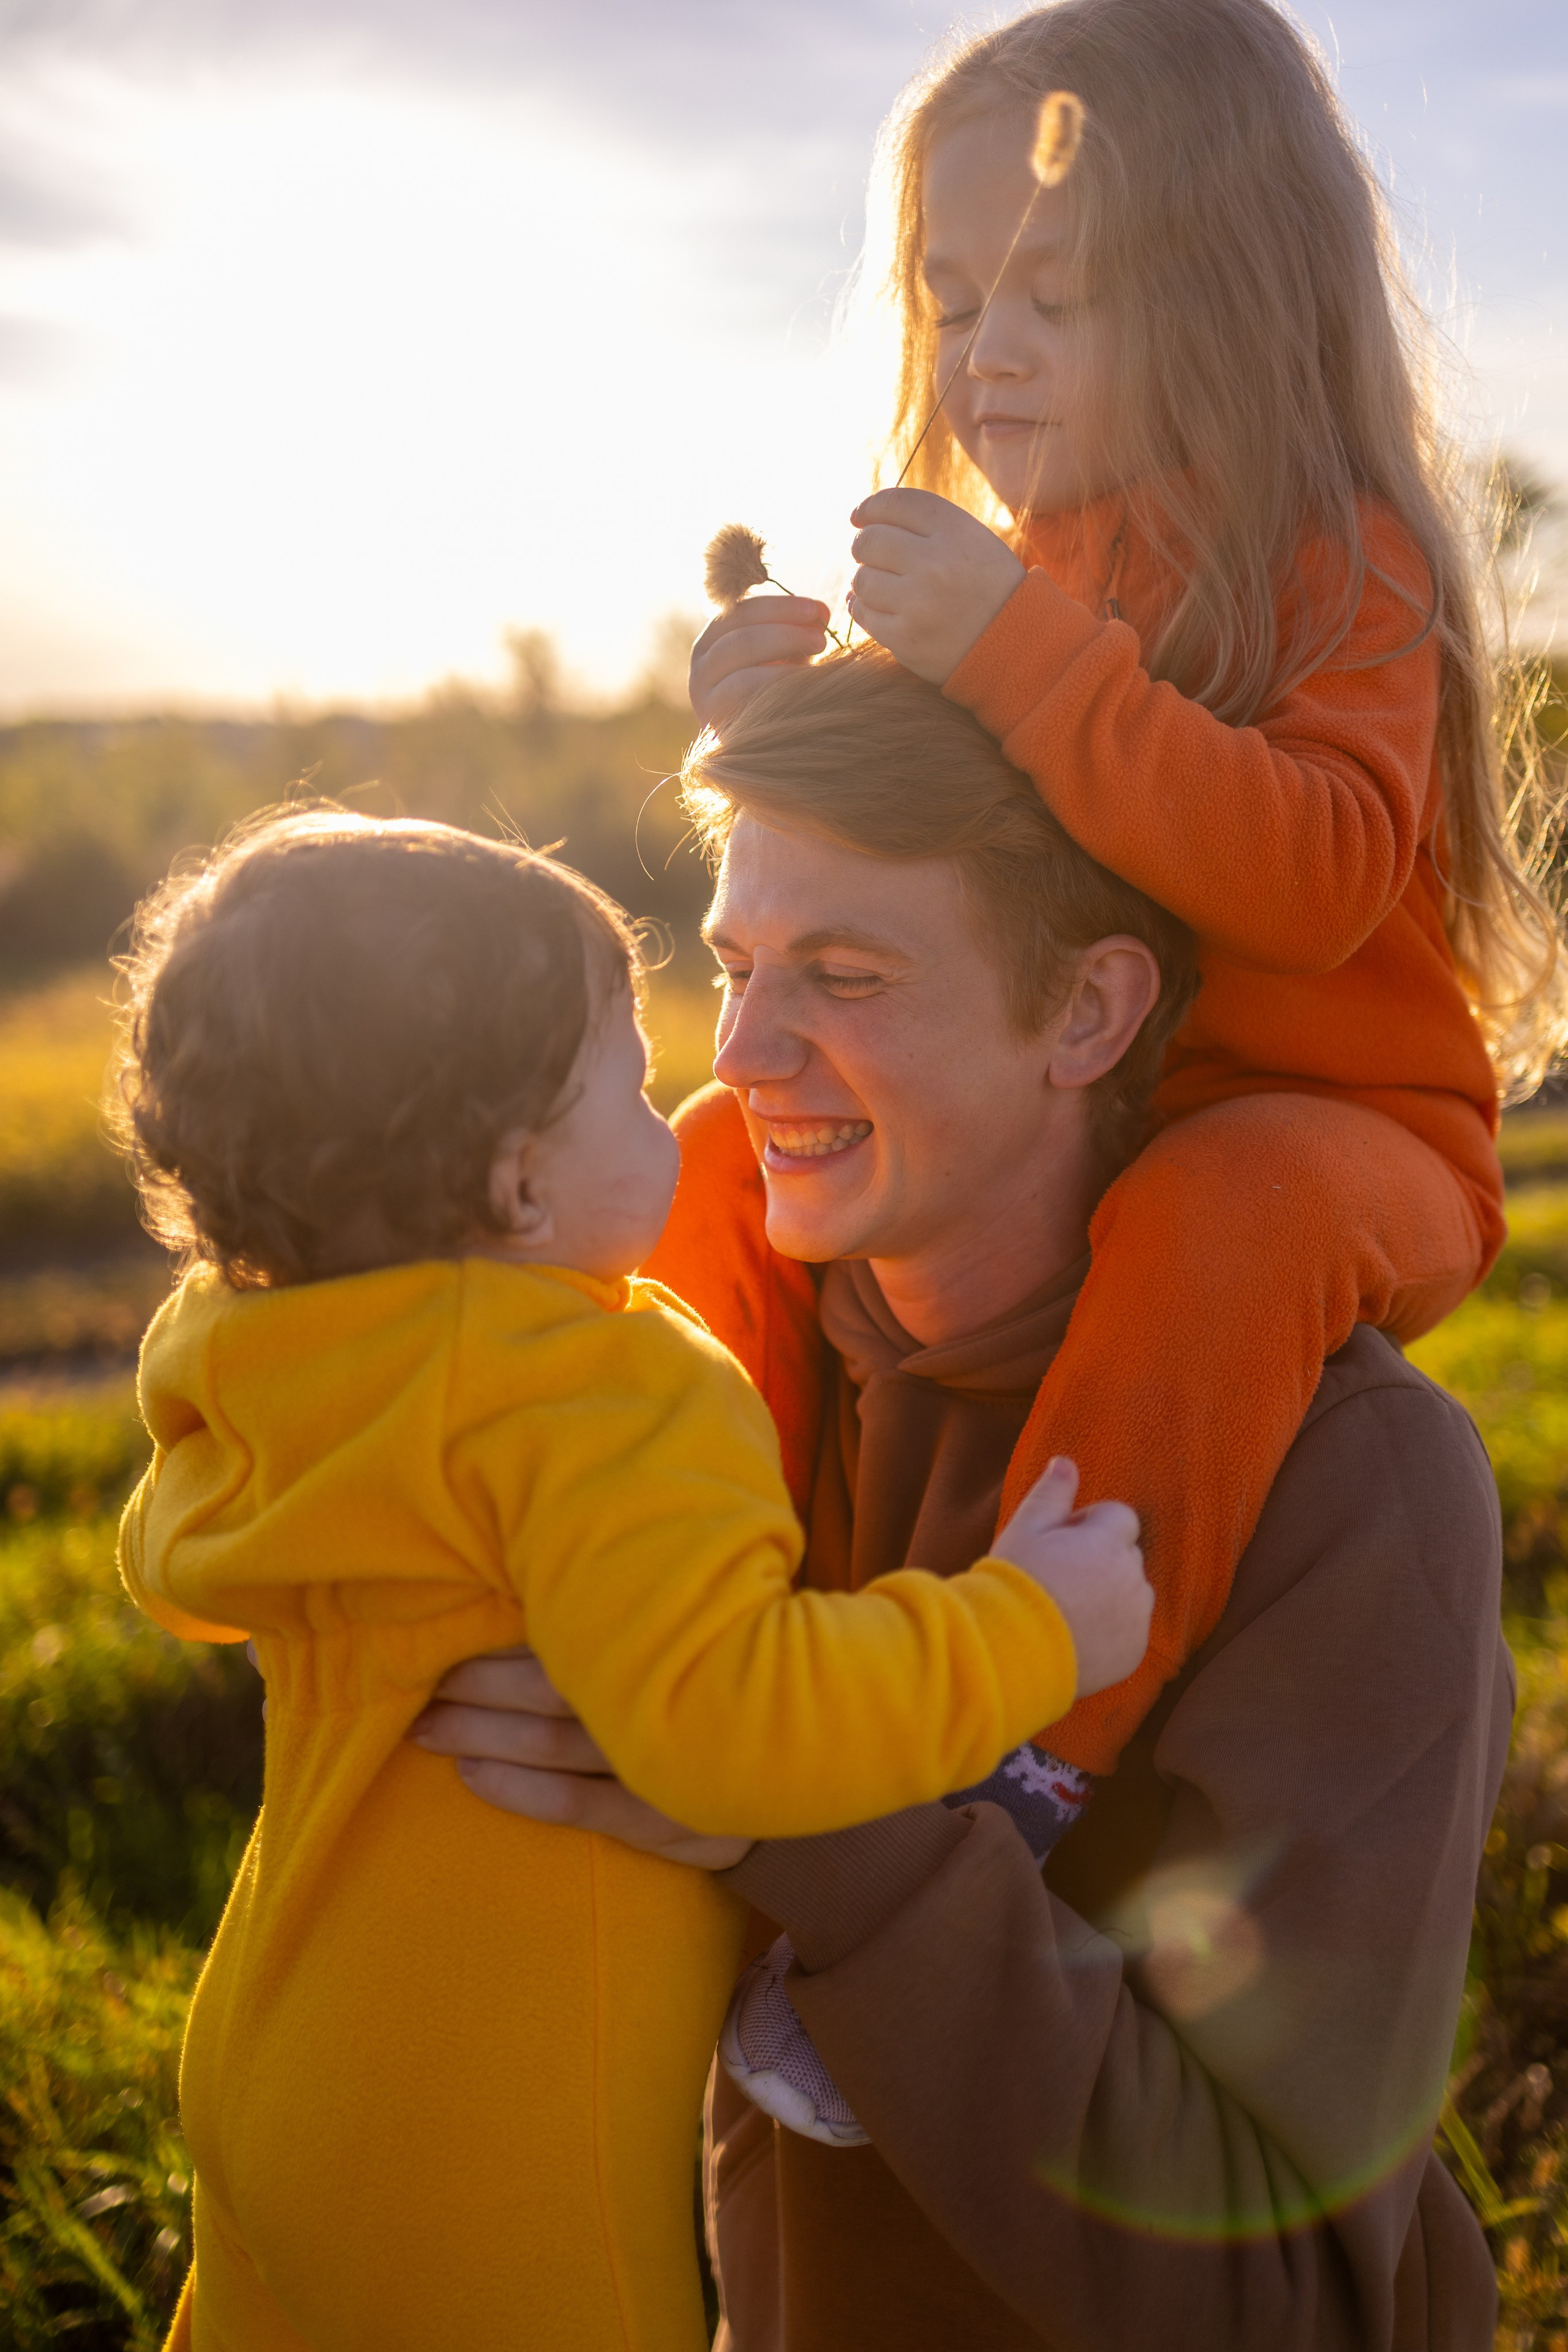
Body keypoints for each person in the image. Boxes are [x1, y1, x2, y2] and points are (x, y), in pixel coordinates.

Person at [415, 647, 1513, 2348]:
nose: (751, 1053)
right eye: (734, 966)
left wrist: (776, 1796)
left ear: (1090, 1013)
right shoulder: (677, 1406)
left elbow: (1287, 2304)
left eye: (845, 976)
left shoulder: (1347, 1485)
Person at [110, 807, 1153, 2352]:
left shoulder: (256, 1352)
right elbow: (721, 1723)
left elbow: (168, 1571)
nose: (694, 1105)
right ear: (523, 1187)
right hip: (488, 2136)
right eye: (634, 1084)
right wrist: (1031, 1627)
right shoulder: (590, 1395)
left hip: (271, 2051)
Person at [689, 0, 1562, 1790]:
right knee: (714, 1144)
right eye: (950, 304)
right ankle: (694, 1590)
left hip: (1335, 1134)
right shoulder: (1007, 584)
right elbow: (922, 851)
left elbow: (1315, 880)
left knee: (1213, 1211)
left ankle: (1027, 1761)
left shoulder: (1334, 563)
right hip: (1083, 1119)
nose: (983, 355)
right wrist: (772, 722)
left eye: (1052, 300)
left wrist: (1022, 658)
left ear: (1234, 298)